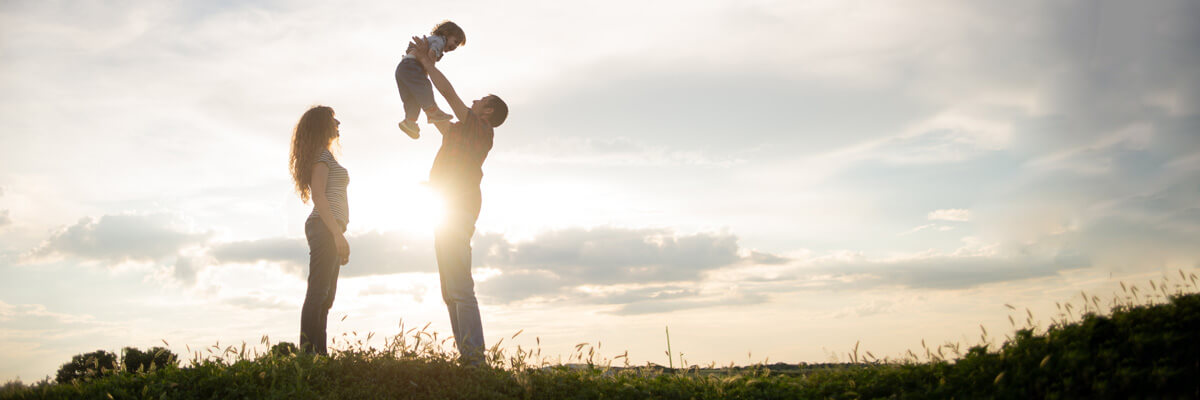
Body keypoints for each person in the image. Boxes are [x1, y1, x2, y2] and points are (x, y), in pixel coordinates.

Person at [410, 36, 508, 363]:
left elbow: (450, 95)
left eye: (481, 100)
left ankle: (475, 360)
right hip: (446, 209)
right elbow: (441, 120)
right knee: (450, 290)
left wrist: (427, 64)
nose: (475, 100)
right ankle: (468, 357)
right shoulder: (464, 131)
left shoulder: (480, 129)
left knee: (460, 289)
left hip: (457, 210)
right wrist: (416, 80)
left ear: (488, 111)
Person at [288, 105, 351, 355]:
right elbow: (319, 196)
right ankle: (308, 355)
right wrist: (336, 234)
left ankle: (319, 356)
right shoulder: (322, 156)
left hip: (330, 227)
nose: (338, 123)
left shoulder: (325, 155)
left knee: (326, 296)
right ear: (322, 125)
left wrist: (338, 233)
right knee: (318, 293)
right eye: (333, 120)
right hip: (325, 227)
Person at [395, 21, 467, 139]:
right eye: (455, 41)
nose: (454, 47)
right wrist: (431, 68)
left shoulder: (434, 40)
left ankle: (410, 121)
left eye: (457, 45)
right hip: (411, 66)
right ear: (446, 34)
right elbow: (431, 54)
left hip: (402, 69)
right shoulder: (439, 41)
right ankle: (432, 111)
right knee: (424, 87)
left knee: (413, 99)